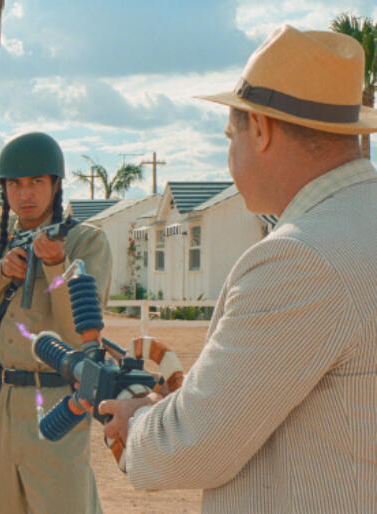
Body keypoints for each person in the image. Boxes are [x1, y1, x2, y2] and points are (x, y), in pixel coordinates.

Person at [98, 26, 377, 513]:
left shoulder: (301, 258)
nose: (231, 153)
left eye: (233, 135)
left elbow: (196, 445)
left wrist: (138, 422)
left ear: (262, 130)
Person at [0, 132, 111, 513]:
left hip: (56, 403)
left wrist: (55, 265)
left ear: (56, 185)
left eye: (37, 181)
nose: (26, 194)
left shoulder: (86, 243)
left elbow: (79, 335)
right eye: (15, 184)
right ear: (4, 189)